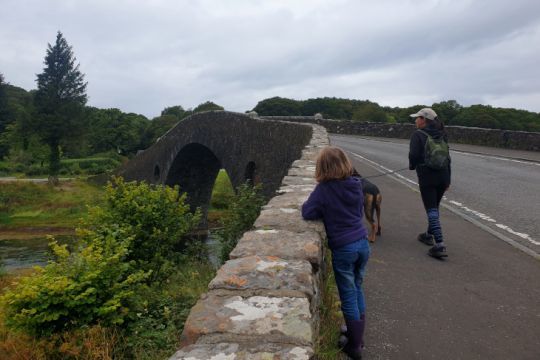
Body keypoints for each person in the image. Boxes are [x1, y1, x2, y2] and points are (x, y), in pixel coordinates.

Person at [302, 146, 369, 360]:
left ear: (322, 167)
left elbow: (308, 211)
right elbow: (358, 212)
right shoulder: (356, 184)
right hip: (362, 243)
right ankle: (356, 333)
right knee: (357, 287)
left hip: (344, 248)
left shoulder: (325, 189)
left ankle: (355, 346)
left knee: (347, 294)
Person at [408, 108, 451, 259]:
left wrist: (412, 166)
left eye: (417, 118)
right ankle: (428, 235)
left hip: (427, 176)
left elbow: (413, 155)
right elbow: (448, 157)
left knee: (431, 208)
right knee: (435, 206)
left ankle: (439, 244)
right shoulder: (442, 134)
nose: (415, 120)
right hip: (443, 175)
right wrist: (448, 180)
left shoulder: (418, 135)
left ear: (423, 120)